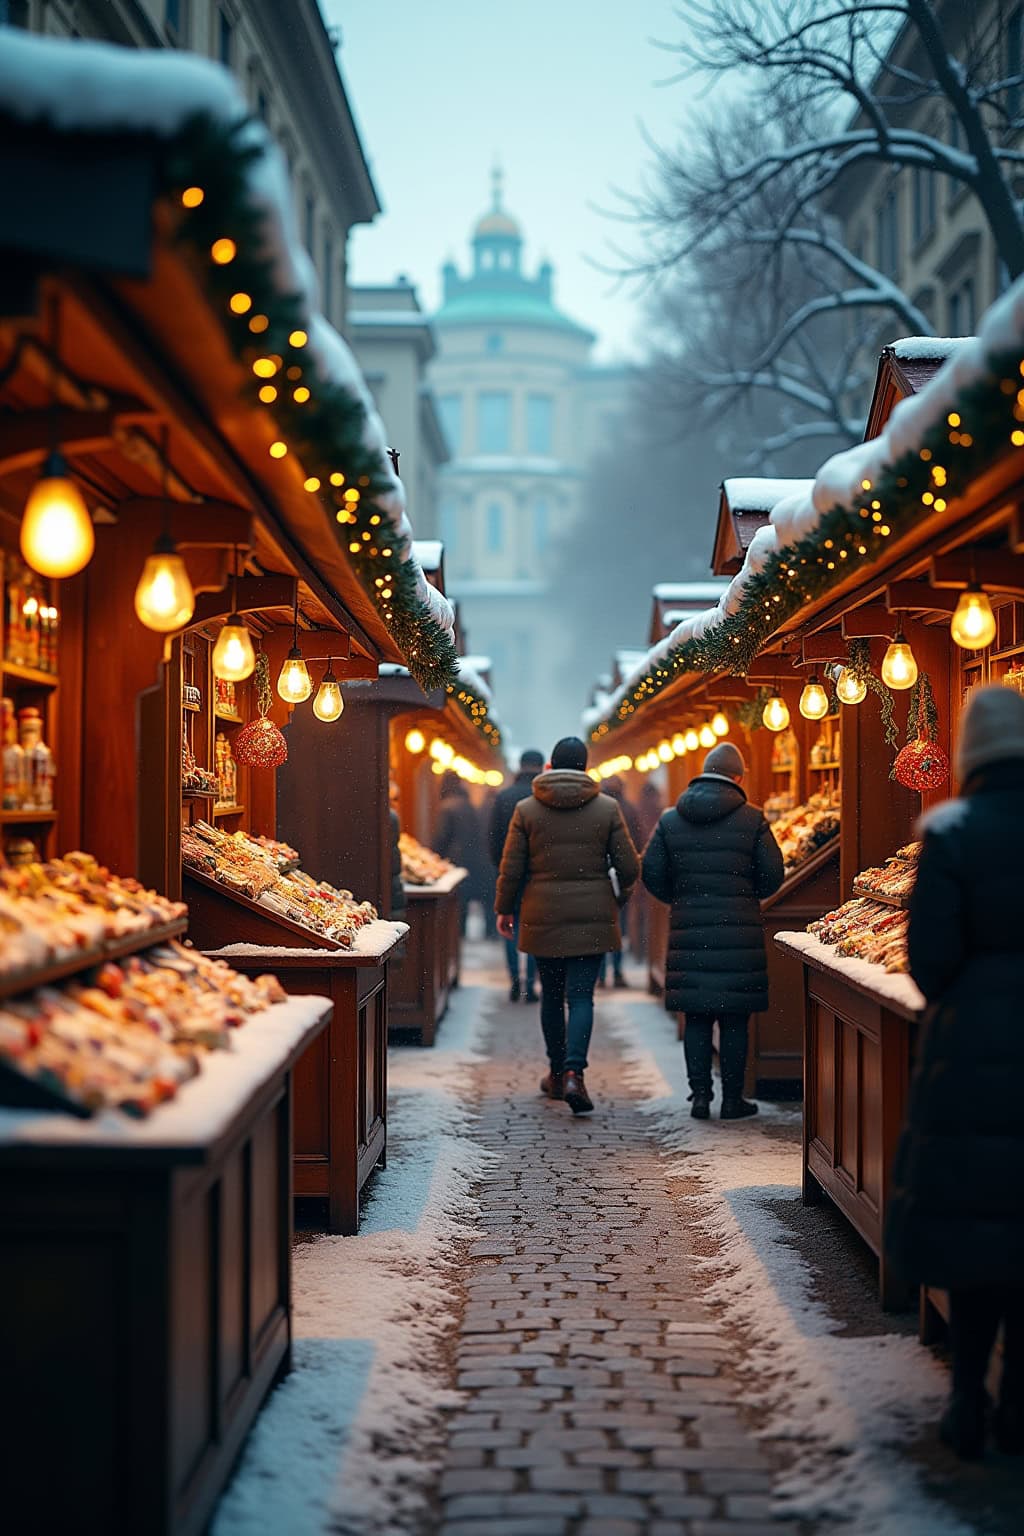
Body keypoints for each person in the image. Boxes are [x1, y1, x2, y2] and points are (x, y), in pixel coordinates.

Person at [885, 685, 1024, 1461]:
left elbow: (930, 960)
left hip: (972, 1051)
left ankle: (967, 1399)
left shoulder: (953, 832)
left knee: (978, 1232)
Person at [495, 736, 639, 1115]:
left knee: (551, 995)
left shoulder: (527, 809)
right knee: (580, 997)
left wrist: (505, 908)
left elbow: (512, 868)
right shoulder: (607, 808)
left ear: (549, 767)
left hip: (543, 914)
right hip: (593, 915)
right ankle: (576, 1072)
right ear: (586, 768)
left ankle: (557, 1074)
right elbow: (628, 867)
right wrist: (616, 899)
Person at [641, 740, 784, 1120]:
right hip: (739, 934)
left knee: (697, 1017)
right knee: (735, 1019)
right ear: (737, 777)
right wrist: (744, 894)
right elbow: (773, 876)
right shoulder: (753, 819)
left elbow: (651, 872)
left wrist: (680, 896)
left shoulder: (671, 819)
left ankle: (700, 1095)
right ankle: (733, 1099)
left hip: (690, 930)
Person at [489, 749, 543, 1002]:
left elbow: (492, 838)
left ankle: (514, 981)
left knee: (509, 927)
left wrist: (501, 866)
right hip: (538, 876)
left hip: (509, 873)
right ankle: (530, 984)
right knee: (533, 931)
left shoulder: (504, 797)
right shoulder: (542, 797)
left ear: (520, 766)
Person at [599, 775, 642, 989]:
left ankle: (600, 975)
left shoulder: (597, 808)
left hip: (598, 879)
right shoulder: (629, 809)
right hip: (620, 880)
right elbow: (636, 845)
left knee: (598, 929)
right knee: (617, 928)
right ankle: (616, 972)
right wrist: (629, 883)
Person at [434, 771, 490, 936]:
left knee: (457, 902)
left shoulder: (447, 806)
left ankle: (457, 935)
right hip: (472, 858)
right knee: (465, 899)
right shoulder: (467, 804)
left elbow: (441, 837)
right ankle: (464, 934)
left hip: (455, 860)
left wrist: (435, 856)